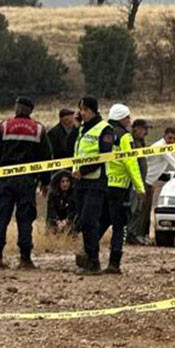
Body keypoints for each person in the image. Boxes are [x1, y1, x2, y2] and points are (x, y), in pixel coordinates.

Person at [0, 96, 54, 269]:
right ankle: (25, 259)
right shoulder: (38, 129)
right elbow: (46, 157)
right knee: (25, 218)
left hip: (6, 179)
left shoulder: (4, 126)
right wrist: (45, 181)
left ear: (17, 108)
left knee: (1, 217)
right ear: (30, 110)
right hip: (27, 181)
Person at [97, 104, 144, 274]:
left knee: (102, 221)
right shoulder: (125, 137)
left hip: (103, 184)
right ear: (121, 118)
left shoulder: (104, 133)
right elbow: (131, 162)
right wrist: (140, 187)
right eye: (127, 118)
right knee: (120, 226)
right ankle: (114, 263)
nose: (130, 121)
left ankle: (88, 253)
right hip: (120, 188)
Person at [72, 95, 116, 275]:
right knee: (83, 221)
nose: (82, 113)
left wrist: (84, 169)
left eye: (85, 110)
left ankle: (93, 261)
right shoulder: (82, 129)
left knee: (90, 221)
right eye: (80, 110)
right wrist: (76, 128)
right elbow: (72, 149)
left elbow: (104, 156)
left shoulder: (105, 129)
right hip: (80, 182)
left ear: (93, 110)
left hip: (96, 181)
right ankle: (88, 258)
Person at [126, 119, 153, 245]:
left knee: (139, 208)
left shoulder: (141, 142)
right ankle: (129, 234)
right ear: (136, 129)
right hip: (133, 181)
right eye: (143, 129)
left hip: (141, 180)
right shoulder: (130, 142)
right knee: (133, 208)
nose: (146, 132)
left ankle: (136, 233)